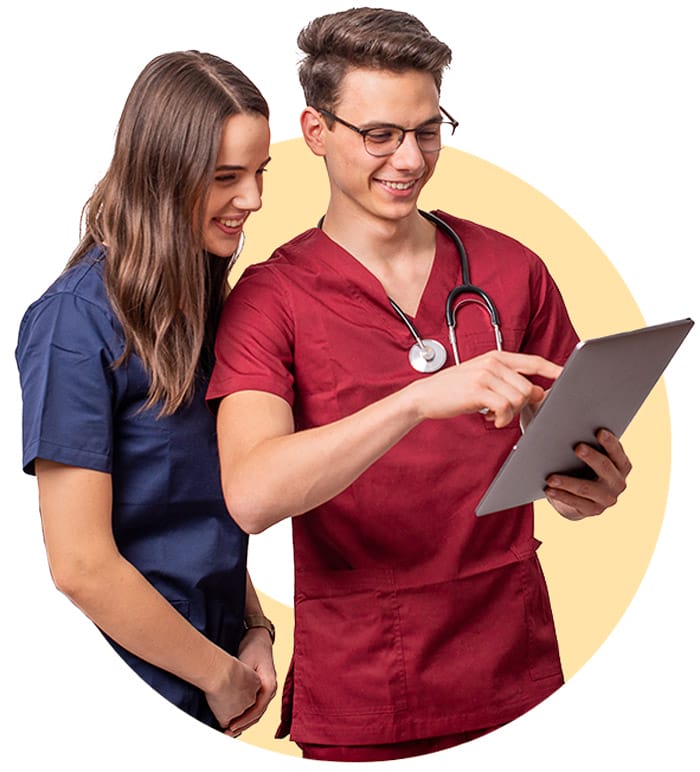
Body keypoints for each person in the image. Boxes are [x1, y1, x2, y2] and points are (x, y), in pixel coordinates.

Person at [206, 8, 632, 762]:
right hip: (368, 682)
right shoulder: (270, 299)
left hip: (517, 665)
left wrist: (586, 487)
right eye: (380, 135)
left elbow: (570, 445)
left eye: (427, 131)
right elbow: (252, 494)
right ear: (315, 131)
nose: (409, 159)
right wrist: (413, 402)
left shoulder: (511, 268)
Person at [16, 50, 276, 737]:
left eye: (260, 172)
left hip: (213, 677)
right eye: (226, 177)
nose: (253, 199)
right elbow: (80, 565)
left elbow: (200, 517)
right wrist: (218, 676)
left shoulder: (204, 304)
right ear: (163, 174)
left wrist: (254, 628)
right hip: (137, 693)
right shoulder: (74, 323)